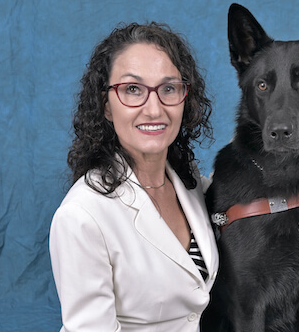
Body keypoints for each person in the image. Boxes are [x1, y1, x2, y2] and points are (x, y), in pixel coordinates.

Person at [49, 22, 219, 332]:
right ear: (106, 107)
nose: (154, 109)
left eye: (168, 88)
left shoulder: (189, 184)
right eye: (132, 89)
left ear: (185, 98)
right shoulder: (81, 217)